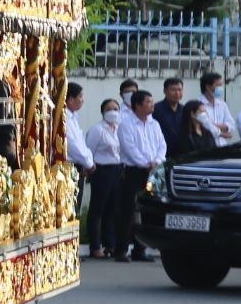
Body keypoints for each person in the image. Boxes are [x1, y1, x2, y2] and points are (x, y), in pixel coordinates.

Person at [116, 90, 166, 263]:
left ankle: (140, 249)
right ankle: (121, 249)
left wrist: (157, 162)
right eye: (148, 102)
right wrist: (146, 163)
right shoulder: (126, 125)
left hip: (152, 172)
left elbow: (162, 146)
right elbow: (130, 149)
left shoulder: (155, 124)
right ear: (137, 105)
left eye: (152, 102)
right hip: (133, 171)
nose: (152, 105)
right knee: (128, 211)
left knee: (147, 210)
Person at [84, 99, 124, 259]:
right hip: (101, 171)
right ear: (103, 112)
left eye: (115, 108)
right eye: (109, 109)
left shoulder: (119, 129)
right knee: (97, 210)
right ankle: (95, 246)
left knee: (112, 210)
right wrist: (88, 170)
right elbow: (89, 150)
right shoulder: (97, 130)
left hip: (117, 170)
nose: (113, 112)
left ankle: (110, 244)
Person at [63, 82, 95, 229]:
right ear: (70, 99)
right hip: (70, 167)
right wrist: (89, 163)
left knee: (75, 206)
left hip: (79, 166)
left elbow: (82, 144)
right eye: (80, 97)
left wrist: (89, 161)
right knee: (70, 207)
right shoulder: (65, 118)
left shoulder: (73, 118)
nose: (83, 100)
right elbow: (73, 146)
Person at [198, 72, 237, 146]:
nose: (221, 88)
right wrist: (222, 130)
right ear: (208, 87)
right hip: (206, 146)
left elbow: (232, 126)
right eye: (218, 85)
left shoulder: (222, 104)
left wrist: (214, 125)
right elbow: (204, 127)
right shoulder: (198, 104)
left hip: (222, 145)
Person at [157, 77, 189, 158]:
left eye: (180, 90)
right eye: (173, 90)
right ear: (165, 91)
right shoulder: (156, 109)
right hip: (163, 155)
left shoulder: (185, 110)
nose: (177, 93)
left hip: (183, 155)